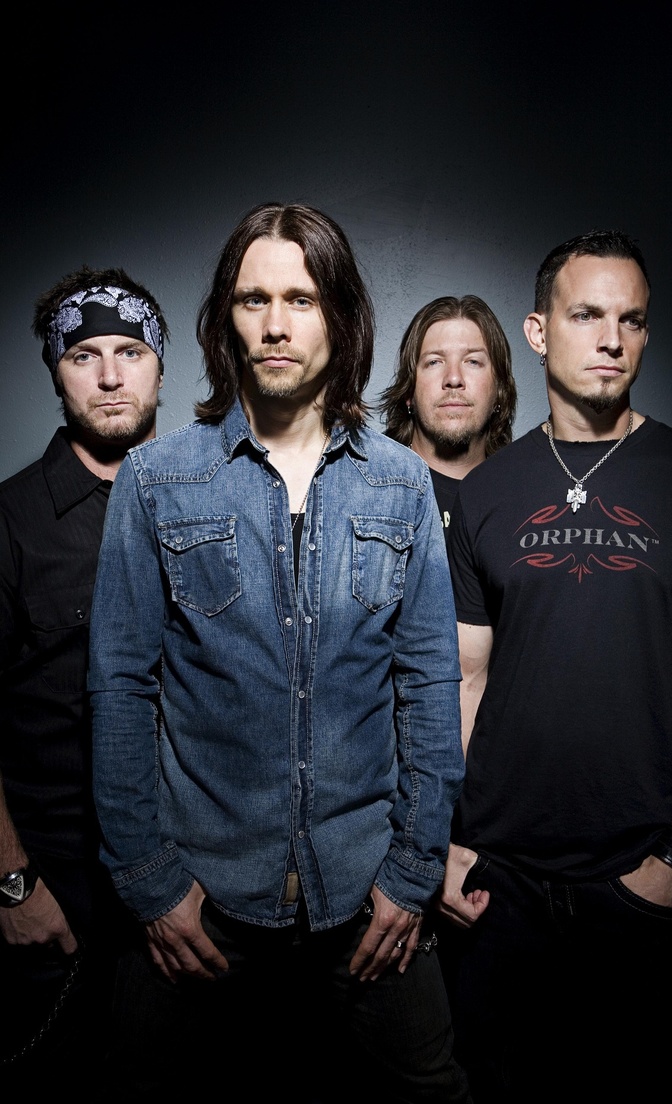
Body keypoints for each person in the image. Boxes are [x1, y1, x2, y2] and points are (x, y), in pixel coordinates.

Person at [88, 202, 471, 1102]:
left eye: (299, 297)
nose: (275, 323)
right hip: (202, 901)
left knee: (432, 1098)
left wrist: (414, 876)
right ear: (227, 319)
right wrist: (151, 886)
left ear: (339, 316)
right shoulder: (157, 478)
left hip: (367, 899)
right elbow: (116, 690)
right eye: (253, 298)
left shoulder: (400, 481)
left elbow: (428, 683)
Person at [437, 229, 672, 1103]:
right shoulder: (485, 494)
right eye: (587, 315)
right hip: (504, 896)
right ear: (538, 332)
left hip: (649, 885)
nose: (611, 339)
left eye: (631, 320)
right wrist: (451, 843)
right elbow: (464, 678)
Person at [0, 268, 168, 1087]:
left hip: (183, 902)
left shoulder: (208, 506)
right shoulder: (11, 522)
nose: (109, 376)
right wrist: (13, 886)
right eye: (85, 355)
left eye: (130, 351)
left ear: (162, 368)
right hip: (54, 900)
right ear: (56, 372)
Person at [380, 295, 516, 537]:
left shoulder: (524, 497)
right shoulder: (371, 488)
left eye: (472, 361)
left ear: (500, 391)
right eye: (434, 362)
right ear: (409, 391)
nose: (453, 378)